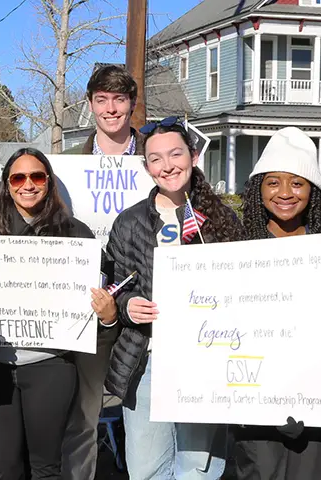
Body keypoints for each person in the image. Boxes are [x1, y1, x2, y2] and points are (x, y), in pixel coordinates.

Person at [0, 147, 116, 480]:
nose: (27, 184)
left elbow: (101, 301)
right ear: (6, 184)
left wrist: (107, 316)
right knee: (1, 467)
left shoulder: (75, 234)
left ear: (49, 182)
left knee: (46, 467)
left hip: (50, 365)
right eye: (18, 177)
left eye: (36, 176)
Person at [104, 117, 245, 480]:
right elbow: (117, 286)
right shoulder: (129, 223)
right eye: (155, 159)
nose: (167, 166)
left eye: (175, 154)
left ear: (193, 156)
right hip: (147, 360)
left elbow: (243, 285)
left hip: (206, 358)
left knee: (199, 467)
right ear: (147, 166)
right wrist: (126, 306)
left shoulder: (221, 219)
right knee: (147, 468)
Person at [233, 127, 321, 479]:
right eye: (273, 182)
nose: (284, 193)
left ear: (312, 191)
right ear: (258, 189)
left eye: (297, 183)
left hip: (319, 393)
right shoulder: (233, 250)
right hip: (255, 395)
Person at [61, 63, 139, 480]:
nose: (111, 110)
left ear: (132, 104)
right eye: (102, 100)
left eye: (120, 100)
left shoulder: (156, 157)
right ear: (91, 104)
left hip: (143, 303)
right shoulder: (67, 166)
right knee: (84, 413)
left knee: (140, 414)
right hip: (87, 303)